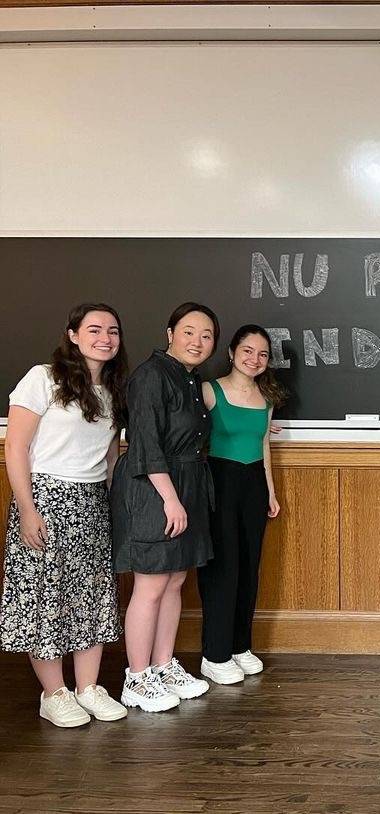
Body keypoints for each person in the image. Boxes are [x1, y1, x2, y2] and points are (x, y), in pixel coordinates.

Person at [1, 304, 129, 727]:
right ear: (73, 335)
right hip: (46, 499)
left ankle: (88, 687)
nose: (105, 338)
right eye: (94, 330)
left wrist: (111, 498)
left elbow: (109, 455)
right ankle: (53, 693)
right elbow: (16, 447)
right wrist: (27, 508)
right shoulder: (43, 378)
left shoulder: (112, 389)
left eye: (112, 331)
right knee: (46, 600)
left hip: (92, 502)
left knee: (91, 596)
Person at [111, 302, 220, 711]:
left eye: (206, 335)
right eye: (189, 331)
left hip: (187, 484)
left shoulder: (191, 380)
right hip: (155, 488)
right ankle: (136, 678)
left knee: (175, 581)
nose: (197, 341)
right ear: (170, 332)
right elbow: (145, 445)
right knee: (152, 583)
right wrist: (170, 498)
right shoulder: (151, 376)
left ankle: (162, 665)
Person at [198, 325, 285, 685]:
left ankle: (239, 646)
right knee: (223, 567)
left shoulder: (266, 400)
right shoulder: (209, 390)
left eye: (263, 354)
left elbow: (263, 446)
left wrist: (271, 492)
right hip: (220, 481)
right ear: (232, 352)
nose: (255, 359)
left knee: (250, 566)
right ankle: (214, 654)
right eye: (248, 351)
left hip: (252, 484)